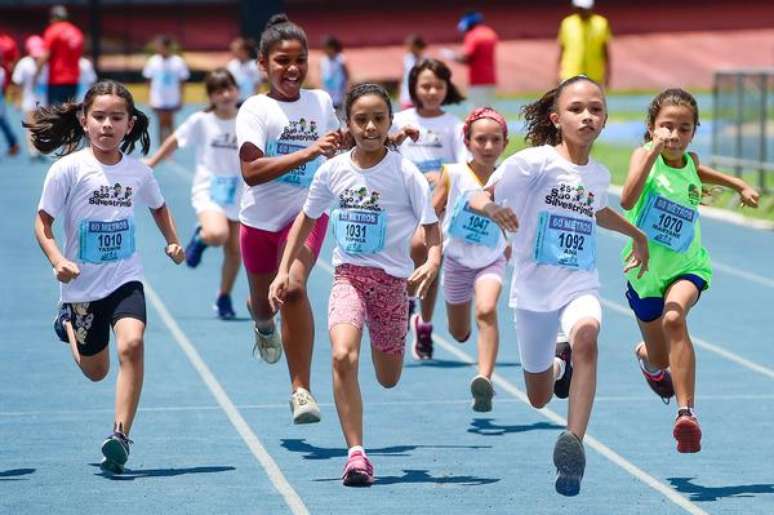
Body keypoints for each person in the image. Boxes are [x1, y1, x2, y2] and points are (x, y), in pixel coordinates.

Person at [470, 75, 649, 496]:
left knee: (587, 336)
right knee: (537, 396)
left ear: (604, 119)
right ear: (556, 118)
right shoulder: (534, 163)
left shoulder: (599, 173)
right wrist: (493, 208)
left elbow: (596, 210)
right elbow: (478, 196)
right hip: (533, 294)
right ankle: (556, 365)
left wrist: (636, 234)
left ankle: (573, 443)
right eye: (576, 109)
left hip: (578, 283)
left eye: (596, 109)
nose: (587, 116)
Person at [269, 83, 441, 486]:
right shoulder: (332, 171)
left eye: (378, 119)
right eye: (361, 119)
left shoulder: (406, 174)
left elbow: (432, 231)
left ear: (390, 122)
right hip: (349, 277)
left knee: (388, 376)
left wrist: (432, 261)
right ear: (348, 124)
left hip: (392, 286)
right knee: (343, 356)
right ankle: (357, 455)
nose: (370, 127)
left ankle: (403, 323)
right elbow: (305, 221)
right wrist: (283, 270)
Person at [27, 79, 185, 473]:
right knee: (96, 371)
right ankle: (67, 323)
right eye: (99, 117)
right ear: (84, 121)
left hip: (124, 279)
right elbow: (42, 223)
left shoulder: (138, 172)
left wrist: (172, 241)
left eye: (117, 118)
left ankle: (120, 435)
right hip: (80, 285)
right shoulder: (68, 169)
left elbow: (159, 207)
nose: (107, 125)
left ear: (130, 124)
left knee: (132, 345)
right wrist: (57, 259)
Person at [619, 88, 759, 453]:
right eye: (667, 127)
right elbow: (627, 199)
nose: (675, 135)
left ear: (694, 132)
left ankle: (686, 414)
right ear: (652, 128)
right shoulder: (645, 156)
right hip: (645, 272)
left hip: (687, 265)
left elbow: (702, 171)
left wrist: (740, 184)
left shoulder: (691, 162)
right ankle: (649, 362)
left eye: (684, 128)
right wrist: (650, 153)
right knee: (660, 355)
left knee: (674, 318)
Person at [236, 14, 341, 424]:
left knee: (294, 289)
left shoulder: (322, 102)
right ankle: (263, 323)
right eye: (282, 61)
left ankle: (301, 390)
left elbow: (336, 150)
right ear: (263, 65)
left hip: (307, 217)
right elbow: (251, 170)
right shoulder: (255, 109)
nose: (293, 69)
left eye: (300, 59)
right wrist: (308, 152)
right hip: (259, 223)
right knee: (265, 304)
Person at [146, 68, 243, 319]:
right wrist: (151, 163)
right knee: (217, 233)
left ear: (237, 90)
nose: (225, 95)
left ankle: (224, 296)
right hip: (209, 188)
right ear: (210, 96)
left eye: (229, 88)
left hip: (240, 190)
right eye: (218, 91)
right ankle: (201, 238)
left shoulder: (246, 119)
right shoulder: (201, 121)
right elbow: (175, 140)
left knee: (235, 250)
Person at [431, 107, 509, 411]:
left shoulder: (510, 175)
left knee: (487, 310)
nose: (488, 147)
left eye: (495, 140)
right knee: (459, 332)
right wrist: (429, 249)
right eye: (481, 140)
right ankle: (464, 338)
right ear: (467, 140)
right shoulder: (453, 173)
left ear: (505, 142)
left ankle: (484, 379)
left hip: (491, 259)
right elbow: (433, 212)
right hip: (456, 262)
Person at [392, 57, 466, 360]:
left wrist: (443, 175)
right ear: (413, 87)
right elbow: (383, 152)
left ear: (447, 87)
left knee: (431, 260)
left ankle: (423, 319)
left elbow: (464, 165)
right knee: (409, 255)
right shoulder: (399, 119)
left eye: (438, 85)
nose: (432, 91)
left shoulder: (454, 126)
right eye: (425, 85)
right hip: (401, 202)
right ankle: (406, 302)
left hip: (437, 203)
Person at [142, 35, 190, 145]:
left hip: (172, 96)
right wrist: (149, 96)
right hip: (158, 97)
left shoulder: (178, 61)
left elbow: (182, 81)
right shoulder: (153, 61)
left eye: (161, 46)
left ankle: (171, 146)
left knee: (170, 121)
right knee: (160, 121)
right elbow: (148, 80)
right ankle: (161, 145)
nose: (159, 49)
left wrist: (181, 97)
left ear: (167, 47)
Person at [446, 11, 498, 109]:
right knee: (490, 111)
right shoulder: (490, 33)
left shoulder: (473, 35)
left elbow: (466, 58)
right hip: (490, 79)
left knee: (476, 112)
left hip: (477, 80)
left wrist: (451, 56)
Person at [557, 0, 613, 88]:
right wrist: (557, 72)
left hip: (594, 74)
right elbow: (562, 49)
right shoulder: (567, 23)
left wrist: (608, 74)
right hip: (570, 73)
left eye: (584, 9)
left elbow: (605, 51)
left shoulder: (601, 23)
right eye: (579, 9)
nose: (582, 12)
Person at [37, 5, 84, 105]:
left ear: (54, 18)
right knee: (70, 113)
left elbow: (46, 54)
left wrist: (36, 72)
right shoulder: (76, 32)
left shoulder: (53, 30)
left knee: (55, 115)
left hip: (57, 80)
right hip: (73, 79)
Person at [12, 35, 48, 158]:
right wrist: (17, 99)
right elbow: (17, 82)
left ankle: (39, 147)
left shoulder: (47, 63)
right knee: (31, 124)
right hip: (29, 99)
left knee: (42, 125)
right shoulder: (24, 63)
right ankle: (33, 150)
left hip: (44, 99)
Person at [0, 30, 20, 155]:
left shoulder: (8, 42)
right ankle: (13, 142)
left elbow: (15, 59)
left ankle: (13, 142)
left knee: (2, 119)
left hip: (3, 90)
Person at [319, 35, 349, 113]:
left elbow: (346, 74)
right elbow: (322, 75)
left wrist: (346, 87)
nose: (326, 50)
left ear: (334, 48)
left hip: (339, 90)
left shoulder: (340, 59)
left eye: (328, 48)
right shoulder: (323, 60)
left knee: (339, 111)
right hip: (328, 89)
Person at [227, 37, 262, 104]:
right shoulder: (231, 65)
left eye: (236, 50)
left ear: (245, 51)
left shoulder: (253, 65)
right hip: (235, 100)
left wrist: (255, 100)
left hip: (249, 100)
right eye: (233, 50)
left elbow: (257, 84)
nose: (234, 52)